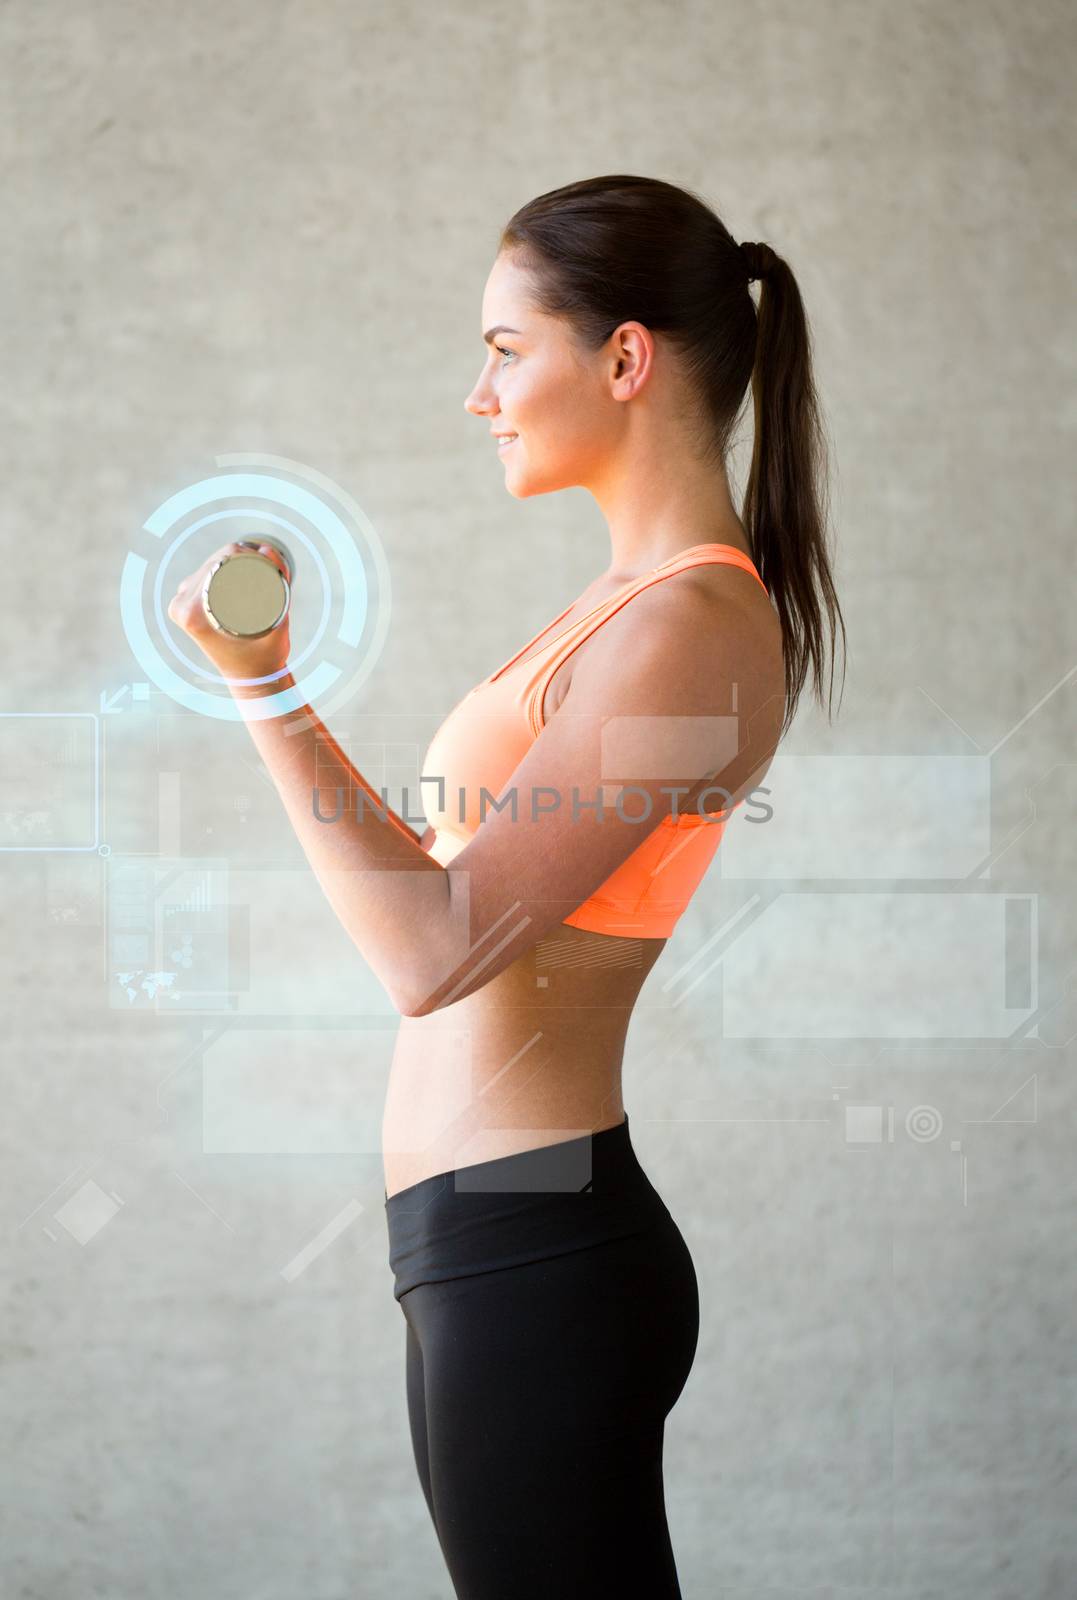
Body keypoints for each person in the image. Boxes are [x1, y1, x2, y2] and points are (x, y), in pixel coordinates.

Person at [169, 173, 846, 1599]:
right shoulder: (623, 610)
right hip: (491, 1232)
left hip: (533, 1234)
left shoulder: (697, 627)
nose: (478, 395)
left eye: (500, 349)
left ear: (621, 358)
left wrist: (266, 686)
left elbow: (437, 947)